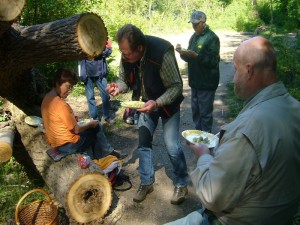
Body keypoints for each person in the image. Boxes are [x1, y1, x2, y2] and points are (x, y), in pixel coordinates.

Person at [165, 36, 300, 225]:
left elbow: (213, 196)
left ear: (249, 70)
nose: (234, 77)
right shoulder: (294, 107)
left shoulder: (248, 129)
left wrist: (203, 155)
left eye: (235, 70)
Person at [106, 24, 189, 204]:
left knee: (172, 145)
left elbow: (176, 86)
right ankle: (146, 182)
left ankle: (182, 183)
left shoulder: (162, 53)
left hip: (167, 103)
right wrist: (117, 87)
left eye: (127, 53)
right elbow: (124, 80)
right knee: (144, 143)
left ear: (140, 49)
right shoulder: (127, 54)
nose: (124, 56)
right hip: (145, 103)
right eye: (122, 52)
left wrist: (157, 102)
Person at [41, 68, 128, 160]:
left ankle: (104, 155)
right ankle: (108, 153)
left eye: (71, 87)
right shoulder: (61, 105)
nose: (70, 90)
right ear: (58, 83)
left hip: (55, 142)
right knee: (96, 126)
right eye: (68, 87)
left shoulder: (47, 98)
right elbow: (77, 130)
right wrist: (90, 124)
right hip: (66, 146)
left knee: (91, 130)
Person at [176, 10, 220, 133]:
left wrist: (197, 56)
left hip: (206, 83)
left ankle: (206, 140)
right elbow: (189, 57)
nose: (193, 26)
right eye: (192, 24)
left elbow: (213, 61)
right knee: (196, 112)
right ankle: (198, 136)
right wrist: (182, 53)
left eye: (196, 24)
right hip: (195, 82)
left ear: (203, 23)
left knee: (205, 114)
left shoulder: (212, 38)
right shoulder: (193, 37)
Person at [79, 40, 115, 124]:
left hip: (100, 73)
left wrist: (97, 53)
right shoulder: (82, 36)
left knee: (105, 95)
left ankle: (107, 117)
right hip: (87, 73)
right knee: (90, 97)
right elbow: (76, 52)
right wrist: (86, 54)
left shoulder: (101, 36)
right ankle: (95, 119)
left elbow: (109, 51)